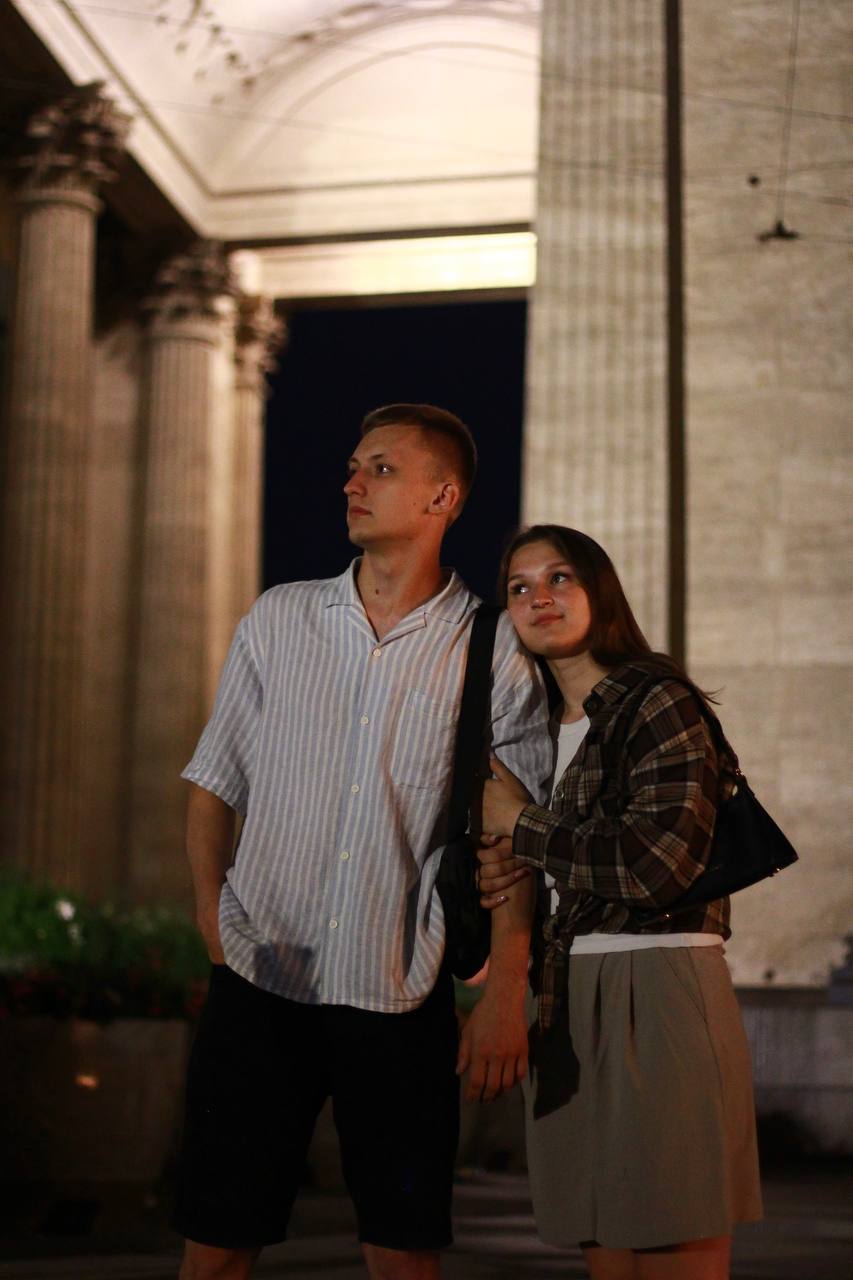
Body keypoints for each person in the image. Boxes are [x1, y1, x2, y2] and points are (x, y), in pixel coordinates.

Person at [172, 405, 551, 1280]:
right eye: (352, 465)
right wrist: (210, 918)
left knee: (403, 1252)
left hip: (400, 991)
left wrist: (506, 988)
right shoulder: (281, 617)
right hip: (260, 979)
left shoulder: (493, 649)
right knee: (216, 1246)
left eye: (379, 468)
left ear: (442, 497)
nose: (351, 483)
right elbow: (212, 781)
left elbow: (515, 841)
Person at [476, 524, 763, 1280]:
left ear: (599, 590)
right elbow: (531, 866)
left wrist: (520, 826)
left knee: (674, 1246)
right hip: (563, 994)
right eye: (518, 587)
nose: (538, 597)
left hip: (659, 980)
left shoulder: (656, 700)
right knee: (603, 1245)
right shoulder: (533, 731)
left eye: (559, 577)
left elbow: (652, 867)